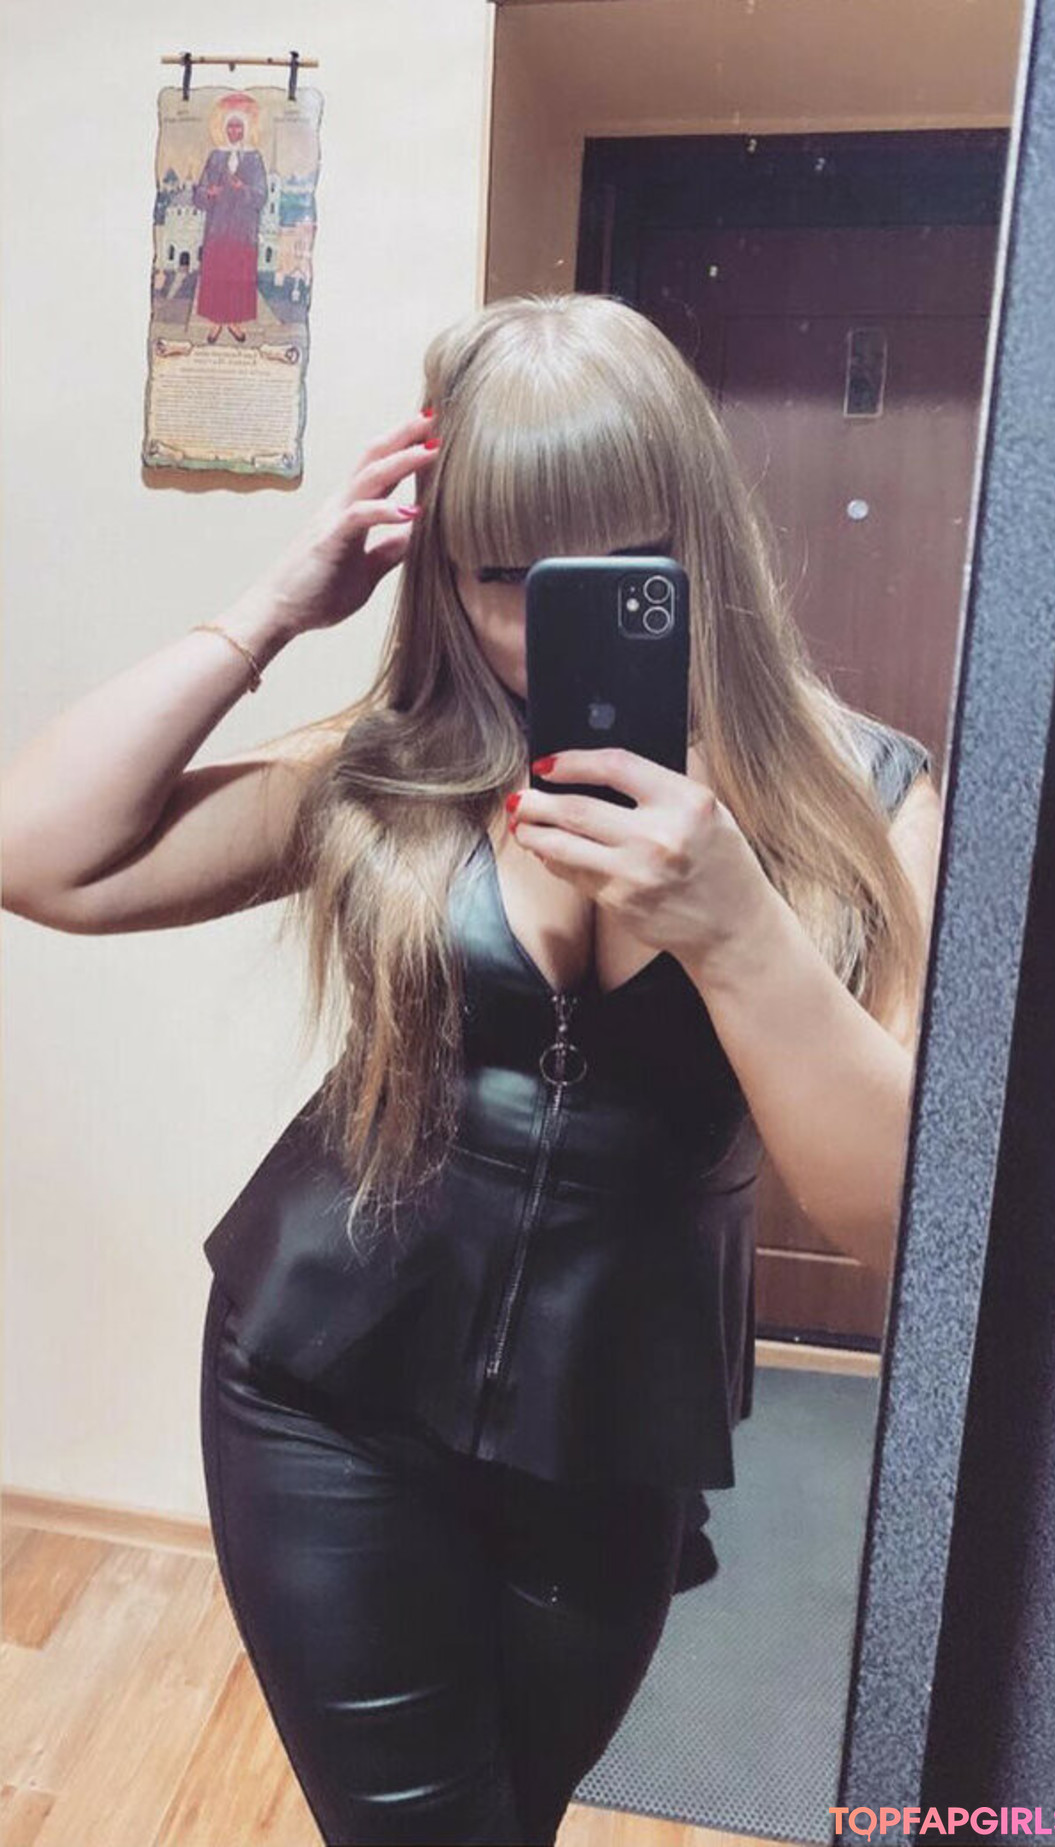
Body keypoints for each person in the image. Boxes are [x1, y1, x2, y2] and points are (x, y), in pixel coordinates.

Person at [0, 292, 941, 1846]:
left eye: (627, 558)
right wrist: (271, 611)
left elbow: (897, 1218)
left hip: (611, 1437)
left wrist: (738, 931)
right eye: (506, 573)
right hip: (322, 1391)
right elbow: (43, 854)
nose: (548, 616)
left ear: (703, 539)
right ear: (443, 568)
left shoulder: (866, 801)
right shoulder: (399, 764)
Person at [192, 93, 268, 345]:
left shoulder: (254, 158)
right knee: (217, 274)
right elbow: (199, 192)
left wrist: (242, 188)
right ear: (224, 129)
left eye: (239, 127)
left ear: (245, 129)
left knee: (238, 274)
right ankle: (216, 322)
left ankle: (234, 321)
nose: (234, 131)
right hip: (218, 228)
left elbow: (261, 195)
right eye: (230, 127)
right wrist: (209, 193)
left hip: (242, 230)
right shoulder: (216, 157)